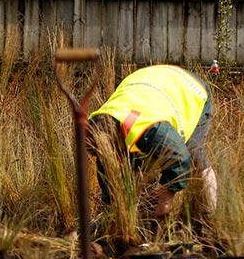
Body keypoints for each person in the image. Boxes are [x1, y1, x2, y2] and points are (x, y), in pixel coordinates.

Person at [87, 64, 217, 219]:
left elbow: (180, 159)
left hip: (189, 89)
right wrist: (112, 214)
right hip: (150, 80)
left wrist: (164, 205)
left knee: (195, 156)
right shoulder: (102, 127)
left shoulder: (152, 129)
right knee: (132, 160)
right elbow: (108, 173)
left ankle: (210, 218)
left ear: (114, 140)